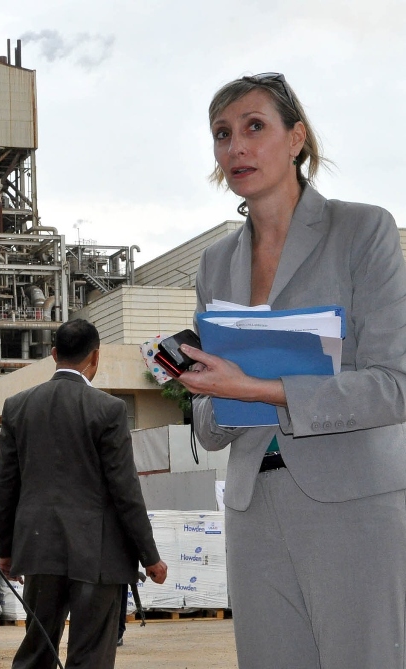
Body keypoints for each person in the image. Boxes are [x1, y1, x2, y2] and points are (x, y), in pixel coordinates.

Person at [178, 73, 406, 668]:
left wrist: (256, 388)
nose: (237, 147)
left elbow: (395, 385)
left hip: (354, 503)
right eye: (222, 134)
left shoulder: (363, 230)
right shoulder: (214, 263)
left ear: (296, 138)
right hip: (254, 507)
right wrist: (206, 392)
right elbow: (209, 425)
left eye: (255, 127)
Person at [0, 319, 167, 669]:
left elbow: (6, 485)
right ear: (95, 356)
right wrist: (149, 556)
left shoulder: (17, 407)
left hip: (39, 548)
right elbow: (124, 489)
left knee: (37, 650)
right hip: (98, 554)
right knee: (90, 656)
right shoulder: (108, 409)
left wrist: (7, 550)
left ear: (53, 354)